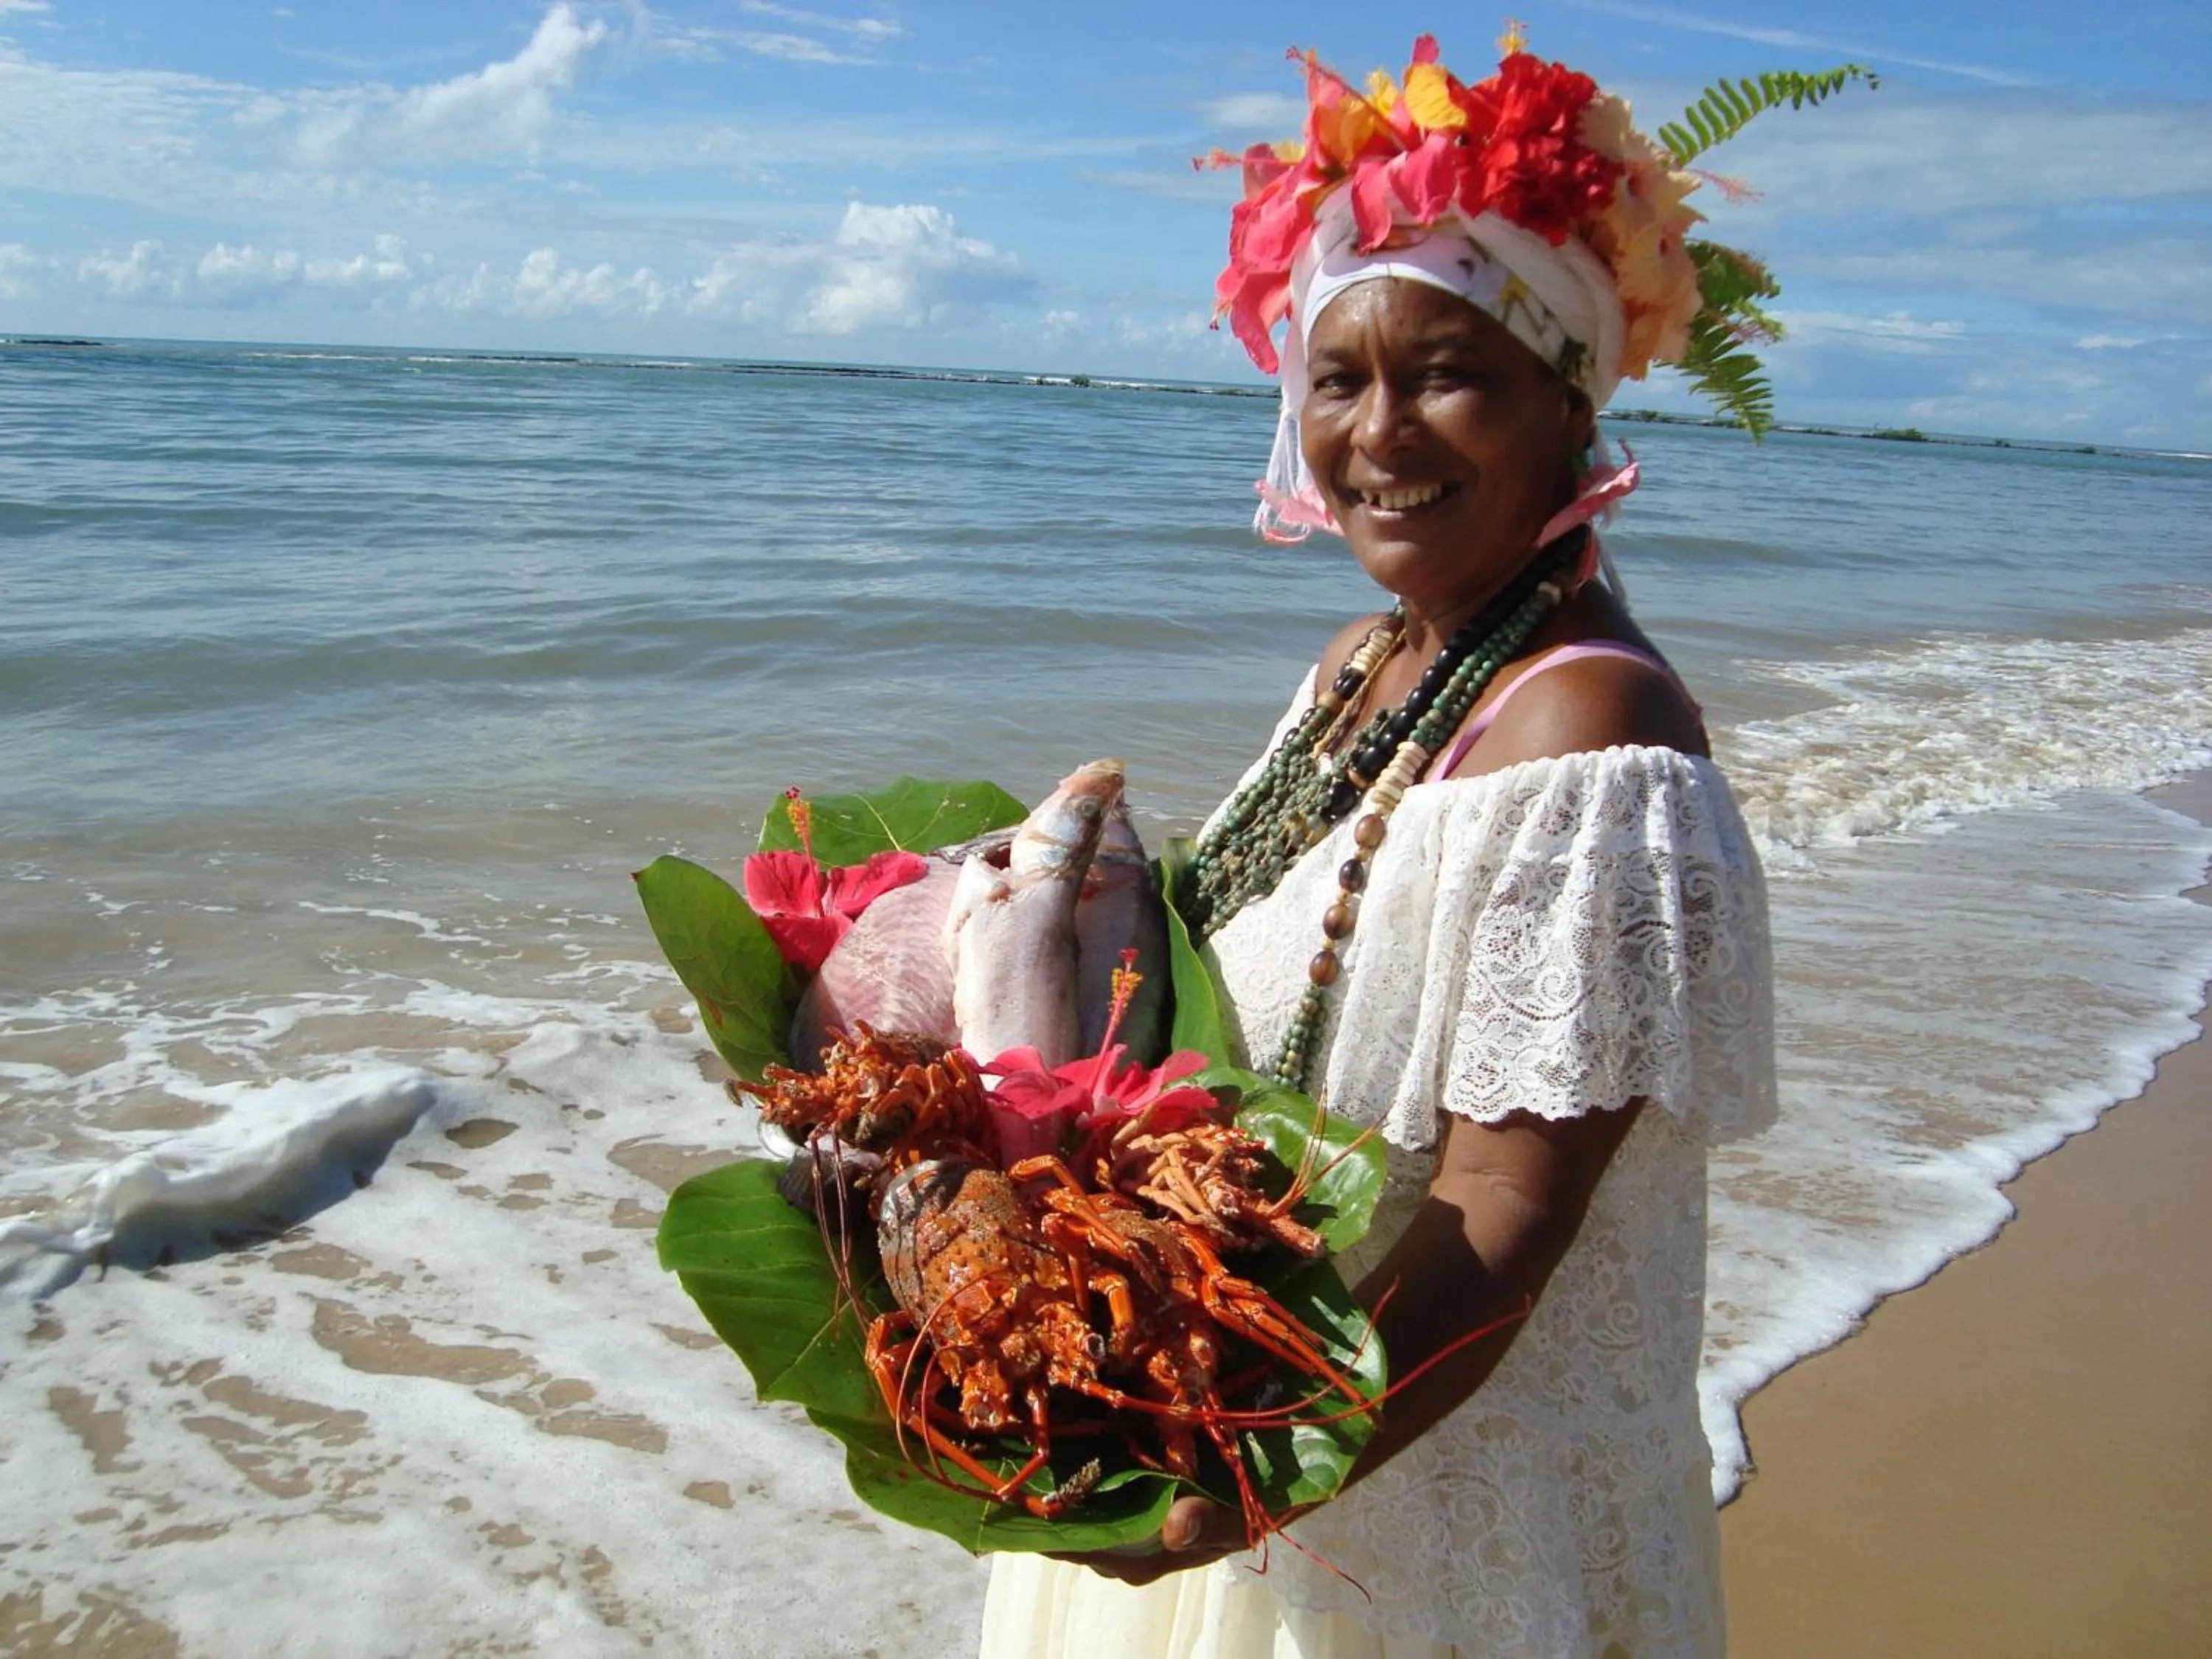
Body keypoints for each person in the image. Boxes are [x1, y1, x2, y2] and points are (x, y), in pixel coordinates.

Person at [979, 32, 1793, 1659]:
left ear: (1571, 395)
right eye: (1337, 379)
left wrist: (1245, 1472)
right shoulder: (1370, 660)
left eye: (1447, 371)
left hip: (1411, 1513)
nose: (1379, 432)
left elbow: (1498, 1212)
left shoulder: (1594, 740)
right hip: (1261, 1412)